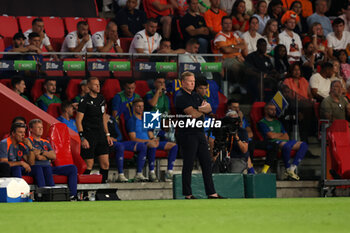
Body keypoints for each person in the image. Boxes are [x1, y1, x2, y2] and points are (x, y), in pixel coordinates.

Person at [175, 71, 222, 199]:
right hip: (187, 133)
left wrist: (198, 109)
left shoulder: (196, 96)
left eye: (193, 81)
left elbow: (209, 108)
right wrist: (200, 109)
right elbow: (193, 114)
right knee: (188, 164)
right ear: (183, 82)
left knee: (206, 163)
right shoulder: (180, 96)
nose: (192, 83)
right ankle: (188, 194)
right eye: (190, 81)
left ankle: (212, 193)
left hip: (200, 132)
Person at [127, 98, 178, 182]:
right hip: (140, 144)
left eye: (142, 106)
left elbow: (150, 133)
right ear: (134, 107)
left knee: (173, 146)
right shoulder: (131, 120)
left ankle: (169, 172)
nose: (141, 108)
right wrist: (149, 142)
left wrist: (154, 139)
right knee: (152, 144)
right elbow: (133, 138)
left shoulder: (146, 118)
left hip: (149, 142)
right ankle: (151, 172)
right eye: (138, 106)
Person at [27, 119, 78, 200]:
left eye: (42, 127)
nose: (41, 129)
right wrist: (47, 156)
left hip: (48, 166)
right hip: (37, 167)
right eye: (38, 127)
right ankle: (45, 196)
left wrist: (41, 152)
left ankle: (72, 196)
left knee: (73, 168)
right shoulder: (28, 141)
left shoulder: (46, 142)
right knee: (42, 168)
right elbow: (37, 157)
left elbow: (53, 156)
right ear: (31, 129)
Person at [76, 77, 113, 183]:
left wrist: (107, 134)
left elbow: (103, 117)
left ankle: (103, 189)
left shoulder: (101, 98)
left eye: (99, 84)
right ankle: (83, 191)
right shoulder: (84, 101)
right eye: (95, 85)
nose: (98, 86)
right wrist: (82, 138)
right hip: (89, 134)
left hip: (100, 134)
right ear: (89, 86)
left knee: (105, 163)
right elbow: (78, 120)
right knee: (89, 165)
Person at [258, 102, 308, 180]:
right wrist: (281, 134)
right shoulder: (262, 122)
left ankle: (292, 168)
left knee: (303, 145)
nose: (274, 111)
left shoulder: (278, 122)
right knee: (287, 146)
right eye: (271, 109)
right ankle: (287, 168)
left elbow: (287, 137)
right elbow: (271, 136)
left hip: (283, 141)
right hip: (273, 143)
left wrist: (276, 135)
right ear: (266, 110)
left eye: (275, 110)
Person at [227, 99, 278, 174]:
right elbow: (239, 130)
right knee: (249, 146)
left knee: (273, 145)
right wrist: (240, 120)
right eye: (234, 107)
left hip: (247, 140)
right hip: (237, 141)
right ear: (229, 107)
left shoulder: (243, 118)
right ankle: (250, 169)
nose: (237, 109)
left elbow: (250, 134)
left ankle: (264, 170)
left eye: (238, 107)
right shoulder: (228, 117)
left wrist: (244, 133)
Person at [0, 123, 49, 187]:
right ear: (13, 133)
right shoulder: (4, 143)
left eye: (24, 132)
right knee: (16, 168)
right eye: (20, 132)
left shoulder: (22, 145)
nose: (23, 135)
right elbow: (4, 164)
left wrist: (30, 147)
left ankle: (43, 193)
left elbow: (31, 163)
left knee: (37, 168)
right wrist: (21, 163)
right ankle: (19, 192)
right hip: (8, 170)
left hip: (19, 168)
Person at [105, 109, 148, 182]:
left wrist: (116, 139)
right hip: (106, 142)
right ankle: (120, 174)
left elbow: (120, 136)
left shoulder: (111, 118)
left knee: (142, 146)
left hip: (116, 141)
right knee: (120, 146)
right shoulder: (96, 118)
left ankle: (139, 173)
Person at [213, 16, 247, 93]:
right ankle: (235, 83)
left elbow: (243, 45)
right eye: (226, 23)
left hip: (238, 58)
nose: (228, 25)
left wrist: (231, 46)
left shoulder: (234, 35)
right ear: (221, 24)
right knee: (237, 66)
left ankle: (240, 84)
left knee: (250, 67)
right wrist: (237, 48)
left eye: (230, 23)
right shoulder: (220, 37)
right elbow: (226, 50)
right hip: (224, 60)